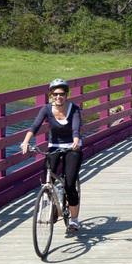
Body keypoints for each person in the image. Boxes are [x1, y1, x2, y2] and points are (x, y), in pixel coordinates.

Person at [19, 78, 83, 233]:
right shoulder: (46, 109)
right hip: (54, 146)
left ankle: (74, 221)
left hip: (72, 147)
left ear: (67, 95)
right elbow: (35, 126)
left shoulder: (74, 109)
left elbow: (76, 128)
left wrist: (76, 140)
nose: (58, 97)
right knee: (47, 178)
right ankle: (54, 203)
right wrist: (26, 142)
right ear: (51, 95)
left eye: (61, 94)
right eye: (55, 94)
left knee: (69, 184)